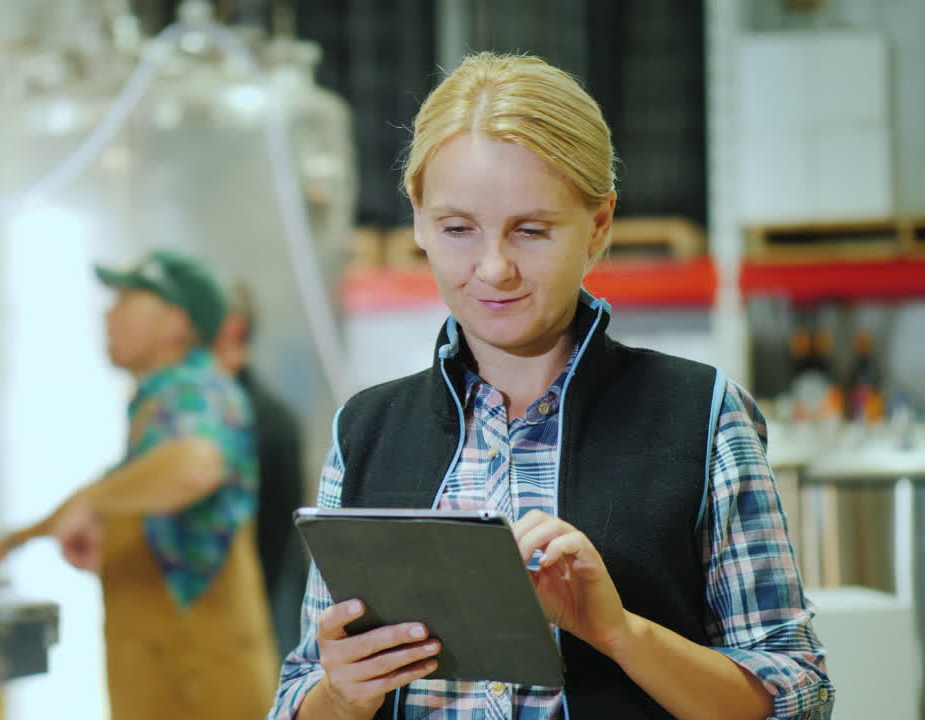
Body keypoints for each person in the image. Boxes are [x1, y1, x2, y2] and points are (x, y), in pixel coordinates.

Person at [269, 52, 833, 720]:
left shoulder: (702, 415)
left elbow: (798, 699)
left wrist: (620, 633)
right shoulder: (365, 430)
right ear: (418, 219)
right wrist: (340, 693)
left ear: (598, 227)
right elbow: (298, 697)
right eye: (457, 229)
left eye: (531, 230)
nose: (493, 267)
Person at [0, 249, 278, 719]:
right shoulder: (158, 406)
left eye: (125, 300)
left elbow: (195, 468)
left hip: (201, 682)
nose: (107, 312)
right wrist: (14, 543)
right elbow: (121, 486)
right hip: (161, 677)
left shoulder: (197, 391)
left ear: (175, 323)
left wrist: (95, 503)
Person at [211, 281, 308, 659]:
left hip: (260, 636)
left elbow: (268, 553)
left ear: (232, 328)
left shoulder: (261, 420)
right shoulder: (219, 414)